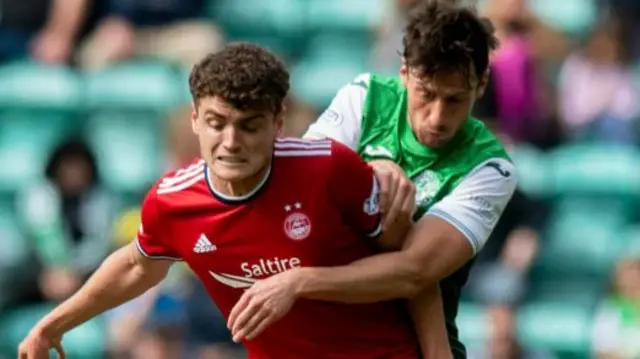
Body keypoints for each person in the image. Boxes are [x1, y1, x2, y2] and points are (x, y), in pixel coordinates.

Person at [17, 43, 449, 359]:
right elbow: (135, 266)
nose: (230, 143)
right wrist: (50, 326)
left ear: (278, 123)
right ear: (194, 120)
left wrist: (298, 281)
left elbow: (415, 272)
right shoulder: (172, 201)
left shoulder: (328, 168)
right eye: (216, 123)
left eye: (248, 126)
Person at [227, 2, 518, 358]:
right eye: (426, 94)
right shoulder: (364, 99)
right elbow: (298, 189)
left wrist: (299, 282)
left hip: (407, 342)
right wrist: (371, 170)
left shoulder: (490, 168)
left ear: (482, 83)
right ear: (404, 73)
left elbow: (413, 273)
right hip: (327, 332)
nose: (438, 117)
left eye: (454, 100)